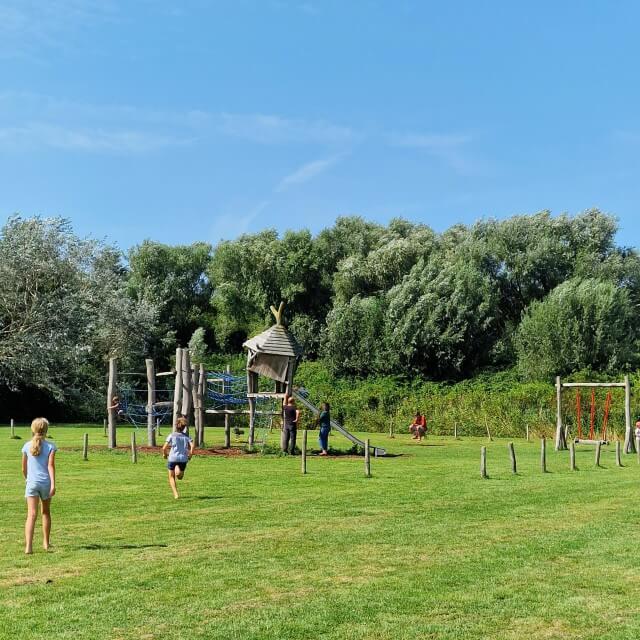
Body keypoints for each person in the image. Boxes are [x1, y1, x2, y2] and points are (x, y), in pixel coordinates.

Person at [22, 417, 56, 554]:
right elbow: (51, 466)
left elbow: (23, 469)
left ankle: (28, 547)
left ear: (33, 429)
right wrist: (53, 484)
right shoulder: (51, 446)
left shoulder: (26, 446)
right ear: (46, 430)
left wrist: (27, 479)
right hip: (45, 483)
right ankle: (46, 543)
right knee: (46, 512)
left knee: (31, 515)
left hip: (32, 483)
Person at [162, 416, 194, 499]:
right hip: (183, 459)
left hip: (172, 458)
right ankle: (177, 468)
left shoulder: (171, 435)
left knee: (171, 477)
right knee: (180, 477)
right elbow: (192, 446)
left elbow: (164, 448)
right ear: (184, 428)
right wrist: (190, 454)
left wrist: (165, 454)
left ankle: (176, 494)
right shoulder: (187, 436)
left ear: (176, 426)